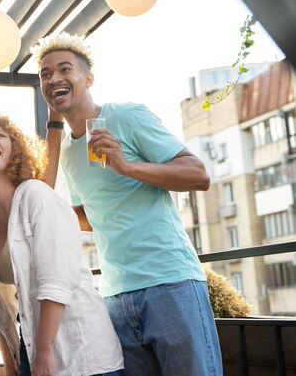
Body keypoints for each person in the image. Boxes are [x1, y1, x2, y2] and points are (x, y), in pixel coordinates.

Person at [31, 32, 222, 375]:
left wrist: (127, 166)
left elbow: (198, 174)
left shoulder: (128, 116)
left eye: (64, 69)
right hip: (116, 295)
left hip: (170, 283)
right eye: (45, 74)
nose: (54, 78)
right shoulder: (72, 149)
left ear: (88, 78)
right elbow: (89, 215)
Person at [0, 112, 124, 376]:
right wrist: (12, 361)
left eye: (0, 136)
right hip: (33, 347)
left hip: (82, 351)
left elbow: (57, 279)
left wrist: (44, 352)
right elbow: (0, 301)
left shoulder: (36, 195)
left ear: (15, 149)